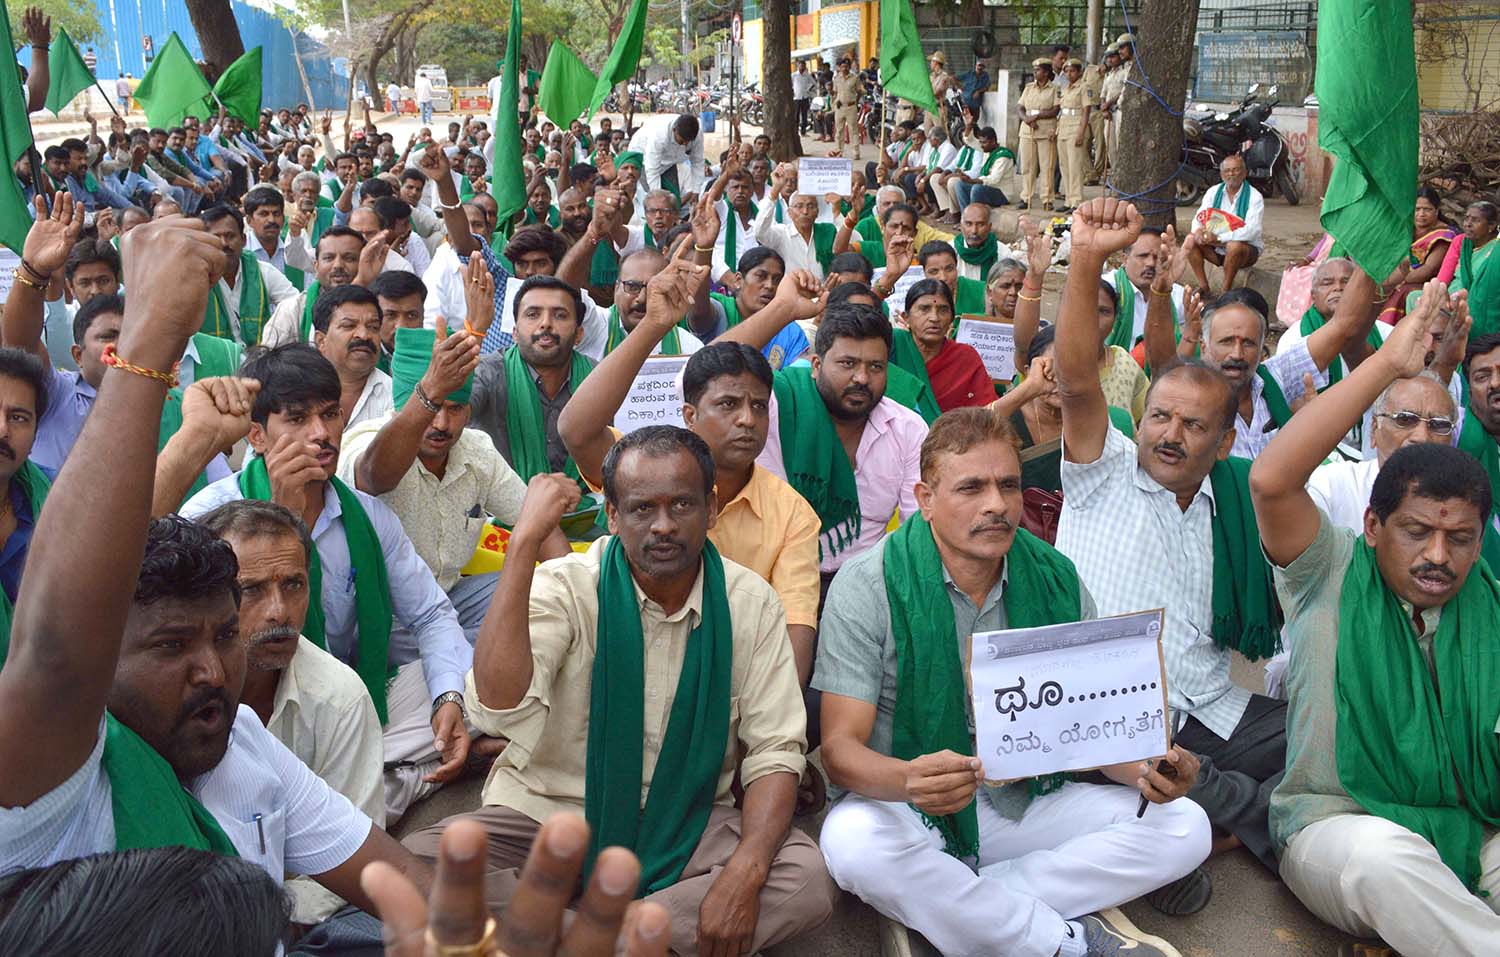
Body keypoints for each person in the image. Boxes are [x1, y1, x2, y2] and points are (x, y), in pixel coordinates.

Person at [0, 216, 432, 940]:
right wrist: (150, 342)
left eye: (225, 634)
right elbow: (56, 649)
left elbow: (401, 884)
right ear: (109, 653)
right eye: (171, 646)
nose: (212, 669)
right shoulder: (52, 790)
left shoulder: (242, 742)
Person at [401, 426, 839, 955]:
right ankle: (636, 935)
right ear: (611, 514)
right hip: (551, 810)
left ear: (712, 508)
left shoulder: (751, 604)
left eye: (682, 505)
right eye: (640, 509)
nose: (663, 526)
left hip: (688, 817)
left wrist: (744, 875)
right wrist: (521, 548)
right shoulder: (566, 585)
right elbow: (498, 705)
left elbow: (774, 752)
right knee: (420, 867)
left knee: (807, 876)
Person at [816, 407, 1211, 957]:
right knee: (851, 844)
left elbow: (1091, 736)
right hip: (907, 807)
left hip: (1021, 802)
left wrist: (1152, 770)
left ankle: (957, 910)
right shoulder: (869, 584)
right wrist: (911, 781)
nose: (996, 505)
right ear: (924, 499)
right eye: (971, 488)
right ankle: (1066, 942)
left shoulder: (1053, 578)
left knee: (1185, 826)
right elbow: (839, 752)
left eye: (1009, 486)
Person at [1246, 280, 1500, 957]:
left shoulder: (1488, 601)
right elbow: (1271, 480)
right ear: (1373, 525)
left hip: (1468, 821)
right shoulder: (1328, 570)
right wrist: (1388, 363)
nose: (1439, 557)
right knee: (1389, 861)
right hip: (1338, 826)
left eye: (1461, 538)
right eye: (1417, 532)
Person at [1053, 198, 1288, 874]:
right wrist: (1089, 256)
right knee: (1135, 782)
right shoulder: (1104, 472)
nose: (1169, 434)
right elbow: (1074, 380)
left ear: (1223, 443)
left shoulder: (1236, 503)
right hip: (1108, 721)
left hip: (1210, 705)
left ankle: (1210, 806)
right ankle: (1217, 813)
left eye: (1192, 426)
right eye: (1160, 416)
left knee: (1327, 740)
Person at [180, 343, 476, 823]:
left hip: (351, 698)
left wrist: (448, 699)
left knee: (449, 682)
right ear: (257, 435)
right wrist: (282, 516)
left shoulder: (367, 517)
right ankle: (387, 786)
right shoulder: (209, 517)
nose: (321, 435)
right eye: (297, 419)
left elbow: (431, 613)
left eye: (330, 414)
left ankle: (336, 798)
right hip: (253, 705)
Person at [559, 264, 821, 695]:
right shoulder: (648, 470)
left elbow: (794, 637)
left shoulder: (792, 515)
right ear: (689, 416)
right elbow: (578, 430)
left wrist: (766, 726)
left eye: (758, 406)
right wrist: (655, 325)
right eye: (729, 404)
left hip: (731, 685)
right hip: (625, 664)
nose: (747, 419)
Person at [197, 500, 387, 926]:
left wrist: (263, 920)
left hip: (296, 918)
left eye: (293, 585)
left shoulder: (339, 697)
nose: (279, 611)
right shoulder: (173, 694)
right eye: (252, 590)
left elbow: (361, 852)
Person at [716, 277, 928, 587]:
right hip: (767, 578)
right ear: (816, 365)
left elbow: (917, 528)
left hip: (867, 583)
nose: (861, 378)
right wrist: (783, 309)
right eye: (847, 363)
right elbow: (696, 378)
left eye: (875, 367)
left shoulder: (906, 428)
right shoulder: (775, 404)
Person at [1147, 246, 1382, 461]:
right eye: (1226, 342)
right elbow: (1162, 367)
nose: (1237, 354)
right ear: (1205, 345)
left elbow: (1343, 326)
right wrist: (1160, 291)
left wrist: (1372, 255)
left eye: (1248, 343)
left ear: (1262, 350)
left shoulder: (1275, 376)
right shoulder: (1191, 392)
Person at [199, 204, 298, 348]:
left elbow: (297, 305)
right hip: (215, 363)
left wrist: (275, 339)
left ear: (243, 240)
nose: (224, 243)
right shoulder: (196, 276)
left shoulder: (262, 271)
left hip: (259, 361)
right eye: (216, 237)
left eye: (230, 236)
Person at [895, 278, 992, 412]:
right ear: (906, 318)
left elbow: (985, 411)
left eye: (943, 310)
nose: (934, 318)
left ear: (952, 319)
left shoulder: (964, 357)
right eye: (924, 309)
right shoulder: (894, 344)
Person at [310, 284, 394, 432]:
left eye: (373, 327)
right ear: (321, 341)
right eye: (348, 326)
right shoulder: (295, 392)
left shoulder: (395, 397)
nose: (363, 335)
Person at [1187, 155, 1265, 295]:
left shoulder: (1254, 196)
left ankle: (1225, 292)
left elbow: (1252, 230)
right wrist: (1198, 231)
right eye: (1227, 171)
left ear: (1244, 173)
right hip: (1216, 248)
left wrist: (1219, 238)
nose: (1231, 174)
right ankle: (1203, 287)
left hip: (1244, 251)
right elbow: (1200, 216)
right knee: (1191, 240)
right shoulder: (1213, 192)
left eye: (1236, 170)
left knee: (1233, 246)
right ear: (1222, 174)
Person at [1103, 227, 1186, 349]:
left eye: (1157, 257)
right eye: (1143, 256)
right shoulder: (1107, 289)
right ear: (1125, 259)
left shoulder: (1174, 293)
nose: (1150, 263)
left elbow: (1207, 322)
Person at [753, 164, 836, 280]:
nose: (805, 211)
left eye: (810, 206)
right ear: (790, 213)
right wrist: (774, 191)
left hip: (822, 291)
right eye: (799, 206)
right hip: (791, 294)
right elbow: (760, 233)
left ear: (817, 212)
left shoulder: (826, 232)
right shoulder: (782, 234)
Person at [242, 186, 315, 289]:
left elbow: (309, 287)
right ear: (249, 220)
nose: (271, 220)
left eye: (276, 214)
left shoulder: (295, 244)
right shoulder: (242, 250)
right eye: (264, 214)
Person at [1445, 199, 1499, 338]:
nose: (1467, 224)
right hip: (1450, 297)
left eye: (1475, 220)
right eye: (1467, 218)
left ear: (1491, 226)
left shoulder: (1495, 251)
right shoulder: (1466, 245)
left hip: (1473, 302)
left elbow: (1485, 289)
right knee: (1414, 298)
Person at [943, 121, 1013, 221]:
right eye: (980, 142)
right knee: (960, 184)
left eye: (984, 142)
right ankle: (966, 219)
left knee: (977, 188)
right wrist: (968, 125)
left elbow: (993, 179)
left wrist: (972, 181)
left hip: (1002, 193)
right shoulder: (986, 149)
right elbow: (969, 140)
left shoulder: (1003, 157)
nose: (981, 145)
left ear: (993, 141)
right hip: (987, 188)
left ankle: (974, 220)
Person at [628, 113, 704, 203]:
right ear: (674, 130)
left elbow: (697, 162)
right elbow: (652, 171)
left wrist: (696, 191)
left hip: (669, 162)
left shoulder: (698, 133)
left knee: (673, 200)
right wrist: (658, 199)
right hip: (643, 157)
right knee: (653, 198)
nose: (685, 144)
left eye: (688, 142)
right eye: (681, 141)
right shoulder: (659, 135)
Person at [1017, 58, 1061, 212]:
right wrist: (1027, 120)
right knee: (1027, 166)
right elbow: (1020, 107)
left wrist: (1037, 117)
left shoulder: (1055, 88)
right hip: (1028, 130)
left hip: (1045, 131)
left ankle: (1047, 199)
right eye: (1035, 70)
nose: (1035, 73)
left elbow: (1055, 110)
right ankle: (1026, 196)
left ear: (1047, 72)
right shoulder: (1029, 88)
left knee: (1047, 166)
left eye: (1038, 70)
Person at [1056, 59, 1093, 211]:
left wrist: (1081, 132)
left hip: (1075, 127)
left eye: (1072, 71)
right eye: (1066, 71)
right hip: (1063, 128)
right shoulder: (1065, 88)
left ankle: (1076, 200)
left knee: (1075, 166)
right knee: (1064, 165)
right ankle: (1068, 199)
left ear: (1079, 72)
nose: (1069, 74)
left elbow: (1086, 111)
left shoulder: (1084, 87)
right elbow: (1061, 111)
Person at [916, 240, 989, 316]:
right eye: (934, 271)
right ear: (923, 272)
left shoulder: (982, 291)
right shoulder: (916, 297)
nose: (943, 277)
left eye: (949, 269)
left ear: (956, 267)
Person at [955, 201, 1001, 282]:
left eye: (980, 224)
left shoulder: (1001, 253)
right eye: (968, 224)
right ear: (961, 226)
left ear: (989, 227)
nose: (974, 231)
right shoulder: (950, 251)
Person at [832, 58, 863, 160]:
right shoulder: (836, 78)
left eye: (846, 66)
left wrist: (855, 102)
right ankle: (838, 151)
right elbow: (835, 92)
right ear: (839, 67)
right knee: (839, 131)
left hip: (851, 107)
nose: (844, 68)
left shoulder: (855, 78)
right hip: (840, 107)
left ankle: (856, 152)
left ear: (849, 67)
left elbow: (859, 91)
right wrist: (835, 102)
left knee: (853, 130)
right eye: (842, 66)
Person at [793, 61, 817, 137]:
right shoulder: (794, 75)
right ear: (798, 66)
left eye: (803, 66)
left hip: (805, 97)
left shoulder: (807, 75)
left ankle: (803, 131)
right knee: (796, 115)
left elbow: (814, 83)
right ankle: (795, 132)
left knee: (804, 115)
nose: (802, 68)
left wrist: (808, 89)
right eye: (800, 66)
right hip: (796, 97)